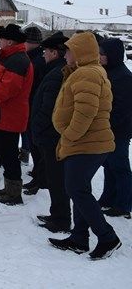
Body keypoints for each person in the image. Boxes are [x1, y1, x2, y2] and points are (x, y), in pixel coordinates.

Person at [49, 32, 121, 260]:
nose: (66, 54)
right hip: (88, 143)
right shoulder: (85, 71)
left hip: (87, 144)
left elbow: (86, 111)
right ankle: (79, 238)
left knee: (77, 190)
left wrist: (70, 135)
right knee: (79, 189)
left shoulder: (87, 73)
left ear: (80, 53)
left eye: (69, 50)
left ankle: (108, 237)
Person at [0, 24, 34, 205]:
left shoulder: (17, 60)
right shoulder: (12, 58)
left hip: (8, 117)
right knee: (7, 154)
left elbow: (6, 90)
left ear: (9, 41)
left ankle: (13, 194)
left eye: (1, 39)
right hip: (4, 116)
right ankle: (9, 189)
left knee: (9, 156)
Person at [30, 31, 71, 233]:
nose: (43, 54)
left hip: (51, 135)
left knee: (57, 179)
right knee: (55, 178)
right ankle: (58, 215)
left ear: (54, 53)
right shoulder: (56, 71)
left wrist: (36, 128)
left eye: (46, 51)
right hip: (52, 134)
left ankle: (61, 220)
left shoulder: (57, 74)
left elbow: (49, 109)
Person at [97, 38, 132, 219]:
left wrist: (108, 125)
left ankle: (124, 204)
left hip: (118, 131)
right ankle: (108, 198)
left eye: (103, 53)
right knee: (108, 165)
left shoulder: (124, 77)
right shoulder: (108, 72)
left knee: (119, 166)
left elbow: (122, 109)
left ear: (113, 55)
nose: (100, 56)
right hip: (107, 129)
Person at [22, 25, 48, 193]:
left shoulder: (37, 60)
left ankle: (41, 177)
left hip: (35, 106)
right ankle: (38, 175)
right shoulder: (31, 57)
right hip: (31, 105)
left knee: (37, 144)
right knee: (33, 142)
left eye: (26, 41)